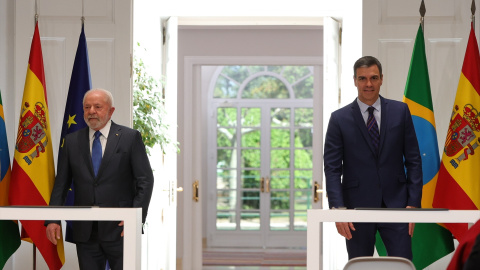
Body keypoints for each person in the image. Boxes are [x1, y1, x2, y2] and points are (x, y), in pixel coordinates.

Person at [323, 56, 423, 260]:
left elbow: (413, 160)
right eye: (362, 78)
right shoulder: (338, 119)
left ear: (381, 79)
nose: (368, 84)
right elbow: (332, 168)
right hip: (355, 207)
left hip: (397, 206)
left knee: (403, 264)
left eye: (373, 77)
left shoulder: (400, 111)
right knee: (360, 264)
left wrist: (413, 204)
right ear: (354, 80)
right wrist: (338, 209)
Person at [45, 88, 154, 270]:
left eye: (97, 106)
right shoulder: (72, 141)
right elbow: (61, 183)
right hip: (85, 231)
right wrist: (52, 219)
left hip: (120, 229)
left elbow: (145, 180)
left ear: (111, 111)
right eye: (87, 107)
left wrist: (136, 218)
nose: (91, 111)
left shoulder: (129, 138)